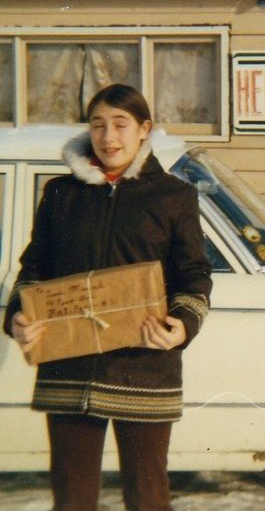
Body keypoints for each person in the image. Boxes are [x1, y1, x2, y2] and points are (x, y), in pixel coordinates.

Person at [2, 84, 212, 511]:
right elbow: (34, 268)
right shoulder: (62, 194)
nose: (108, 137)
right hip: (69, 368)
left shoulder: (173, 196)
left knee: (147, 496)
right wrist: (19, 316)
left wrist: (181, 327)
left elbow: (193, 275)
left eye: (120, 124)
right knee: (73, 498)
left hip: (145, 367)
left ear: (144, 130)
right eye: (98, 125)